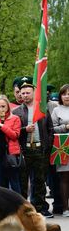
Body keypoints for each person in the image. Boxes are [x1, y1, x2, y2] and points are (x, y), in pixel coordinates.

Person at [13, 78, 54, 218]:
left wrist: (47, 144)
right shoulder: (17, 111)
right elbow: (14, 130)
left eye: (27, 93)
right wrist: (25, 129)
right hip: (24, 150)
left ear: (34, 93)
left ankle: (41, 206)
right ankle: (24, 208)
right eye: (22, 93)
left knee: (40, 180)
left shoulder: (42, 109)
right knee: (23, 181)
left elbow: (50, 129)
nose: (24, 95)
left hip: (40, 149)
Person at [51, 84, 69, 217]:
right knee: (64, 177)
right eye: (64, 94)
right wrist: (66, 127)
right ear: (60, 96)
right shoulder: (57, 110)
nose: (67, 96)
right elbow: (52, 129)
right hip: (63, 145)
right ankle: (65, 208)